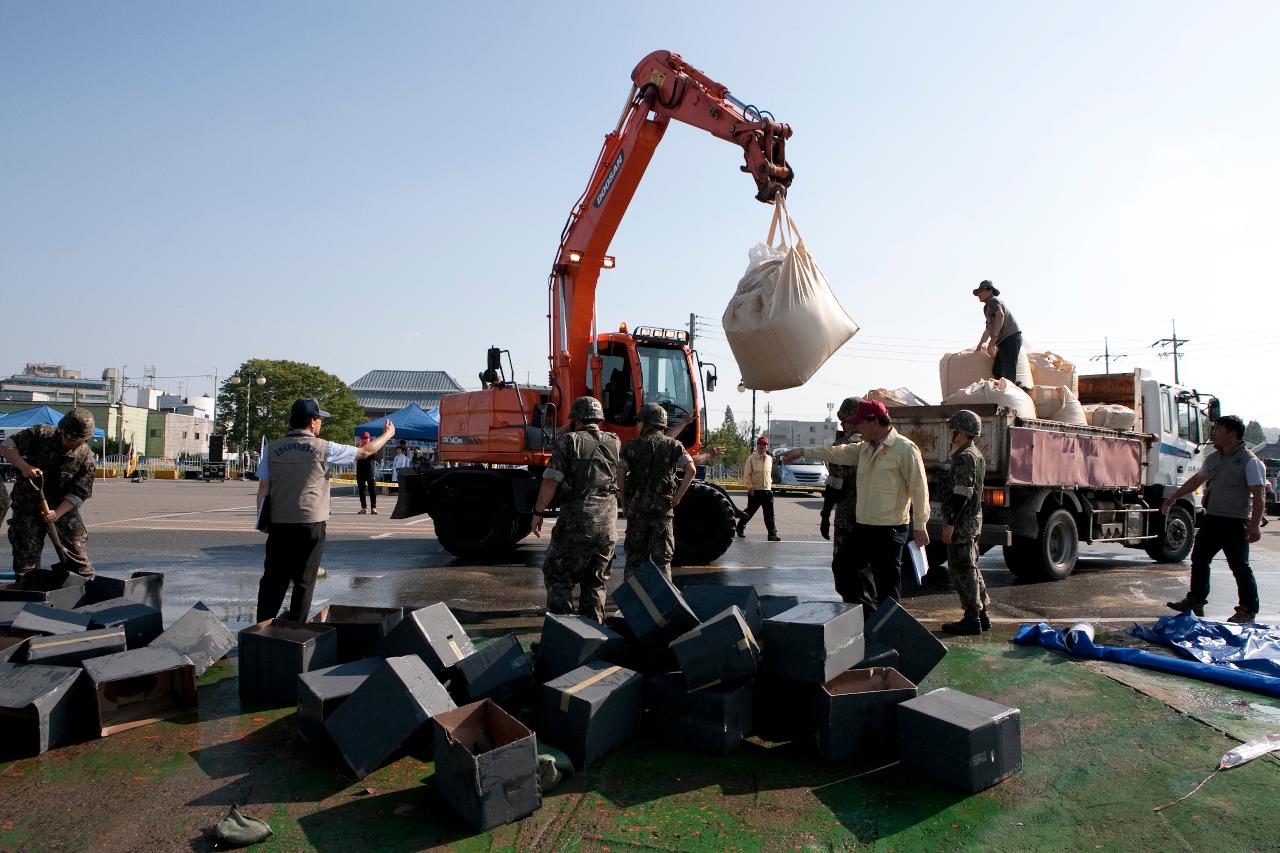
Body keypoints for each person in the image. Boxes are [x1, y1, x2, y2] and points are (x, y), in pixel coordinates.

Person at [254, 399, 395, 622]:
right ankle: (295, 631)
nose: (320, 424)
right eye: (319, 419)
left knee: (273, 579)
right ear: (312, 422)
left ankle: (261, 628)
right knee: (304, 580)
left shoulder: (272, 448)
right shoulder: (325, 447)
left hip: (279, 523)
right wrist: (388, 434)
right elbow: (366, 451)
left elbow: (263, 488)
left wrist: (262, 520)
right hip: (311, 522)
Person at [784, 400, 930, 613]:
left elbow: (919, 489)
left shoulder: (904, 449)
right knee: (843, 567)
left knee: (887, 587)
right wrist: (803, 451)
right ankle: (869, 616)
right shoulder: (864, 448)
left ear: (873, 422)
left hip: (889, 530)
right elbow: (837, 453)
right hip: (864, 527)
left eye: (860, 424)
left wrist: (920, 525)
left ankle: (889, 632)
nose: (856, 429)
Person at [1163, 414, 1265, 623]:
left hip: (1235, 522)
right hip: (1212, 519)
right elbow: (1196, 480)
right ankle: (1196, 600)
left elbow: (1258, 495)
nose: (1213, 434)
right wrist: (1173, 497)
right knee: (1199, 560)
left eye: (1218, 430)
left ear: (1232, 435)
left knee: (1239, 566)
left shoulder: (1249, 461)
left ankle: (1247, 610)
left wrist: (1254, 526)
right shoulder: (1214, 458)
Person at [530, 396, 621, 623]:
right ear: (599, 419)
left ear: (576, 419)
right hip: (608, 525)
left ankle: (563, 635)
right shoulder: (615, 441)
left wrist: (538, 512)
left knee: (558, 575)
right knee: (595, 582)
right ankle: (594, 640)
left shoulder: (568, 441)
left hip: (577, 523)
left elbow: (551, 481)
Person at [0, 408, 98, 580]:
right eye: (67, 437)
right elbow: (7, 446)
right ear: (61, 430)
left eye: (76, 440)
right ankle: (28, 588)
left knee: (76, 549)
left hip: (62, 508)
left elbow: (79, 493)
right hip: (27, 505)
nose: (70, 442)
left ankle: (85, 585)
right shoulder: (41, 433)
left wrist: (57, 513)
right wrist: (24, 467)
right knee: (26, 553)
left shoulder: (86, 458)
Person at [618, 403, 696, 579]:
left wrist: (624, 503)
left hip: (637, 510)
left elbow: (620, 475)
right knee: (662, 561)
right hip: (663, 510)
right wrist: (676, 498)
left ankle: (632, 603)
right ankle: (661, 604)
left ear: (646, 423)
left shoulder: (630, 446)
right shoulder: (674, 445)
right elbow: (691, 470)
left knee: (635, 559)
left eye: (639, 422)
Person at [938, 410, 992, 635]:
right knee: (971, 567)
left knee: (962, 569)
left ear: (962, 431)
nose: (952, 433)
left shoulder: (965, 456)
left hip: (963, 523)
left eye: (955, 429)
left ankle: (972, 617)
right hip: (971, 520)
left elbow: (962, 492)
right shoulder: (975, 454)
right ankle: (981, 614)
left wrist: (951, 522)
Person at [818, 397, 862, 602]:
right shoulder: (874, 444)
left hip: (847, 518)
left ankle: (851, 608)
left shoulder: (842, 446)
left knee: (843, 566)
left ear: (849, 420)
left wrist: (825, 516)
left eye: (843, 421)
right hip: (871, 518)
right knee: (865, 567)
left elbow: (835, 485)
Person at [973, 280, 1025, 387]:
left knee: (1008, 372)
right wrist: (978, 349)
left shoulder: (993, 301)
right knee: (997, 370)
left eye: (980, 291)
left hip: (1010, 338)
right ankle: (1018, 388)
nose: (978, 295)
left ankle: (1012, 396)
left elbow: (1000, 316)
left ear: (989, 290)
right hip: (1004, 342)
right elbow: (988, 330)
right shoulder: (987, 307)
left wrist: (993, 340)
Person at [738, 436, 780, 541]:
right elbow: (747, 474)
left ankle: (772, 534)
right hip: (755, 490)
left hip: (767, 490)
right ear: (757, 445)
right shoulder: (751, 458)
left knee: (769, 513)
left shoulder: (770, 459)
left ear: (767, 446)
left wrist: (770, 482)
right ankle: (740, 527)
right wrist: (750, 486)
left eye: (764, 445)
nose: (762, 446)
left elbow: (770, 473)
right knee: (749, 512)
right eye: (760, 444)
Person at [355, 431, 378, 514]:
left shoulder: (372, 447)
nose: (364, 439)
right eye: (363, 438)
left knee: (372, 489)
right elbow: (355, 456)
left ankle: (374, 507)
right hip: (360, 470)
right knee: (362, 490)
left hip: (370, 470)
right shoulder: (359, 447)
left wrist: (369, 448)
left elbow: (375, 456)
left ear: (369, 439)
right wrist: (360, 447)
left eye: (366, 438)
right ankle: (364, 507)